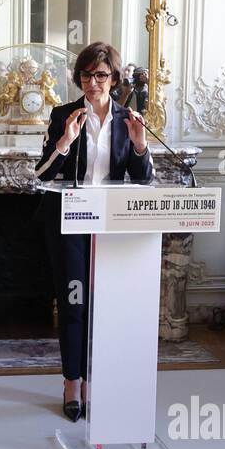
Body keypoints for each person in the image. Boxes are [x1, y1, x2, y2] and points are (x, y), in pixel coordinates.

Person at [36, 41, 154, 421]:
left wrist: (139, 147)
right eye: (86, 75)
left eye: (101, 75)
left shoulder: (128, 119)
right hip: (69, 227)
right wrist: (65, 143)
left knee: (103, 308)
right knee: (74, 304)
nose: (93, 82)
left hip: (112, 226)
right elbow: (41, 175)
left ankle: (95, 382)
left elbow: (144, 180)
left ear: (114, 78)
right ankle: (73, 381)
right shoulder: (63, 115)